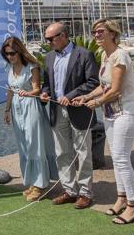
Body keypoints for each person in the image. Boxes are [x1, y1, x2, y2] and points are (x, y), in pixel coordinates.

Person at [72, 19, 134, 224]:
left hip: (125, 113)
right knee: (117, 158)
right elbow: (104, 86)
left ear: (113, 33)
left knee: (121, 159)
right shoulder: (105, 55)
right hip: (110, 114)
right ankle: (121, 199)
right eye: (94, 32)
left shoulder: (120, 55)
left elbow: (116, 90)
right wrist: (86, 97)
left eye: (101, 31)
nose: (96, 35)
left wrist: (96, 102)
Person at [40, 22, 99, 209]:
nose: (48, 42)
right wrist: (44, 94)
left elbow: (93, 82)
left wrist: (71, 96)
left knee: (83, 153)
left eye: (51, 39)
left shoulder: (84, 54)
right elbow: (47, 84)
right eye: (46, 39)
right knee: (62, 153)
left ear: (63, 35)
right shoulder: (49, 58)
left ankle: (85, 193)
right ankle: (70, 190)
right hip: (56, 111)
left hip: (80, 110)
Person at [1, 37, 58, 202]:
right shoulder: (9, 68)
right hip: (16, 109)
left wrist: (28, 93)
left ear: (19, 51)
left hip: (31, 107)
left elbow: (37, 90)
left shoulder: (31, 67)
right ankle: (33, 182)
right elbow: (10, 90)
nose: (10, 57)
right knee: (24, 146)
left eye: (12, 53)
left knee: (35, 144)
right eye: (6, 54)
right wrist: (6, 109)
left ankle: (41, 184)